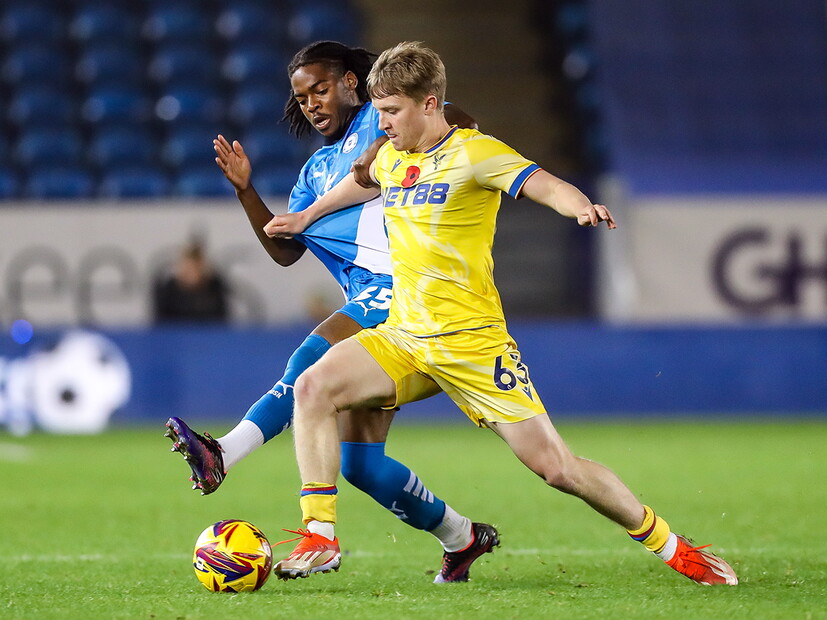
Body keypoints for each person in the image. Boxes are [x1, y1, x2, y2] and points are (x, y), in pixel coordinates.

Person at [263, 41, 739, 586]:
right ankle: (320, 537)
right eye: (381, 110)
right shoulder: (392, 156)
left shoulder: (475, 153)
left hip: (474, 346)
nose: (382, 123)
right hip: (405, 336)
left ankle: (674, 547)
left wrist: (578, 204)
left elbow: (542, 183)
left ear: (430, 103)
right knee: (311, 387)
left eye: (392, 111)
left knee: (558, 469)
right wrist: (307, 215)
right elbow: (361, 182)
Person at [164, 41, 498, 584]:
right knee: (361, 466)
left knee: (312, 358)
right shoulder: (316, 172)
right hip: (375, 307)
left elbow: (459, 118)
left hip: (405, 291)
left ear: (349, 83)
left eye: (320, 89)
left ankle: (225, 451)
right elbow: (285, 249)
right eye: (302, 98)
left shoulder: (383, 119)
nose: (312, 104)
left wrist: (377, 154)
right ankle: (462, 538)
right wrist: (248, 192)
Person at [153, 239, 229, 323]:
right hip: (176, 334)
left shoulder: (214, 287)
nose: (190, 272)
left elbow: (222, 320)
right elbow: (160, 324)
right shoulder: (170, 289)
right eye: (187, 267)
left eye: (195, 268)